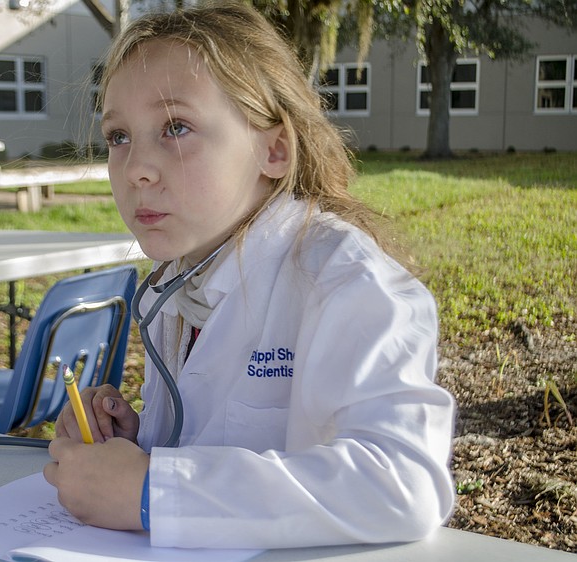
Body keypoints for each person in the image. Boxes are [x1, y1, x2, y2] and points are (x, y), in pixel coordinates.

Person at [43, 2, 456, 550]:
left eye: (175, 127)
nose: (137, 167)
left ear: (275, 149)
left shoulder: (346, 283)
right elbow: (212, 438)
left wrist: (151, 491)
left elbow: (402, 485)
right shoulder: (182, 276)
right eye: (118, 135)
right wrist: (136, 444)